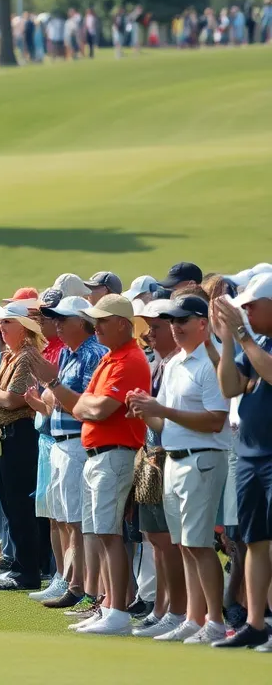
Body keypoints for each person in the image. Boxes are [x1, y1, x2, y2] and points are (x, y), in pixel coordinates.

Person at [127, 295, 230, 644]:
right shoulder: (174, 364)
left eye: (183, 320)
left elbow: (215, 420)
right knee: (185, 544)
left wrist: (162, 411)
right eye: (173, 321)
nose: (176, 327)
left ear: (203, 323)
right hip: (174, 458)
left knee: (198, 544)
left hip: (203, 459)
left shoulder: (211, 363)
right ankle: (194, 618)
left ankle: (215, 621)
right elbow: (164, 421)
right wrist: (145, 411)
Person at [67, 294, 150, 636]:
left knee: (109, 532)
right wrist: (88, 405)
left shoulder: (130, 358)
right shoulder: (110, 357)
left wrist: (87, 404)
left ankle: (118, 610)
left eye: (102, 320)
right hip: (98, 454)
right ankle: (108, 605)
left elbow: (100, 409)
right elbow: (81, 406)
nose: (95, 326)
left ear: (122, 324)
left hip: (115, 453)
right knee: (100, 532)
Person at [29, 296, 107, 611]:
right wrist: (52, 391)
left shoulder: (93, 354)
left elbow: (82, 404)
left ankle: (84, 587)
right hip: (60, 441)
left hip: (78, 442)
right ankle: (74, 583)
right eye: (56, 319)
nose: (57, 324)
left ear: (83, 322)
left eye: (64, 319)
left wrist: (54, 385)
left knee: (78, 520)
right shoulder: (65, 353)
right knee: (65, 519)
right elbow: (53, 400)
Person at [213, 274, 272, 649]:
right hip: (251, 454)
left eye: (251, 306)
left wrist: (242, 335)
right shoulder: (258, 341)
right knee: (256, 541)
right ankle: (256, 623)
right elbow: (230, 386)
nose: (245, 312)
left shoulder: (257, 343)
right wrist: (228, 339)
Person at [0, 301, 45, 591]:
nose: (0, 327)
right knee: (9, 504)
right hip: (5, 436)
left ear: (24, 328)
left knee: (20, 506)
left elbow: (10, 399)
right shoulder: (9, 356)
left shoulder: (26, 357)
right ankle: (21, 565)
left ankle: (29, 570)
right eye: (1, 322)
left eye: (7, 323)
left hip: (20, 435)